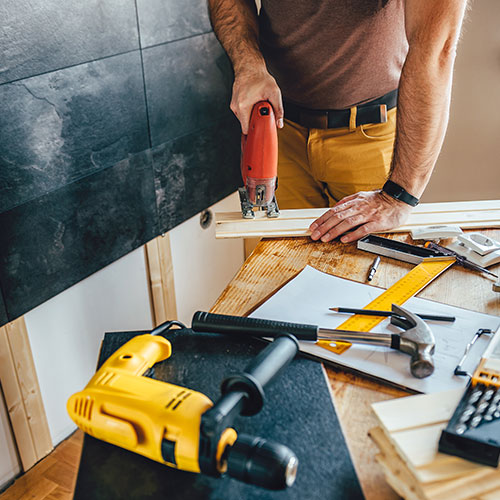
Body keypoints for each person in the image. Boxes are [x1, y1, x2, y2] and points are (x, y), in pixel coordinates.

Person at [208, 0, 468, 242]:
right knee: (280, 273)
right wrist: (248, 64)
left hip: (371, 136)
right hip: (279, 130)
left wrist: (399, 196)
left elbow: (435, 50)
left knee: (368, 280)